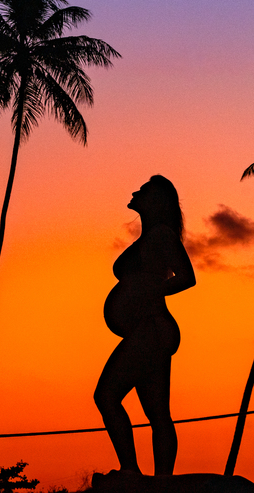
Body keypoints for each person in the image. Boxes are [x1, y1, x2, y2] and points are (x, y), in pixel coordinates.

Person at [95, 175, 196, 477]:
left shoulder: (162, 235)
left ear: (156, 201)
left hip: (151, 329)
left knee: (106, 396)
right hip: (149, 331)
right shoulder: (151, 237)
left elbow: (187, 277)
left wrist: (148, 291)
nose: (134, 191)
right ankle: (159, 479)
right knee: (157, 413)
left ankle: (131, 471)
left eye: (144, 190)